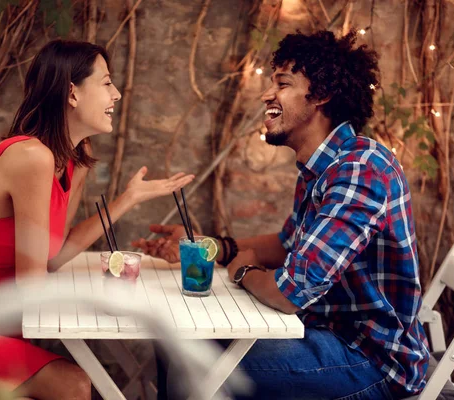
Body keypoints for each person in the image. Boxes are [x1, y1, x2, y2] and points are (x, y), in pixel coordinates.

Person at [0, 40, 194, 400]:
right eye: (106, 83)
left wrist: (129, 198)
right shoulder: (30, 157)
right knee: (72, 384)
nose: (117, 94)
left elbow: (51, 256)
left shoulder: (74, 158)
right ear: (72, 93)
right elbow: (32, 285)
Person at [134, 30, 429, 400]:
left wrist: (243, 271)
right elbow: (286, 244)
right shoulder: (320, 168)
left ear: (321, 94)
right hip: (324, 330)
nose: (266, 95)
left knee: (199, 364)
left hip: (371, 360)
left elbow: (290, 292)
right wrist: (211, 246)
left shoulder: (360, 168)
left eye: (282, 84)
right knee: (179, 338)